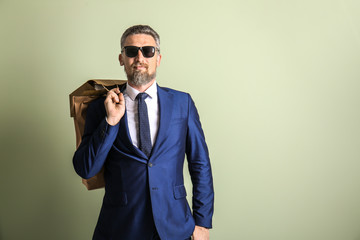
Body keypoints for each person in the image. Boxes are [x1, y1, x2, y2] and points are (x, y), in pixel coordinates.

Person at [73, 25, 214, 240]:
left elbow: (200, 164)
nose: (140, 57)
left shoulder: (182, 103)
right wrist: (110, 121)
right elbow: (86, 168)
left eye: (148, 51)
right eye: (131, 51)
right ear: (121, 58)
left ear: (158, 58)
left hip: (175, 226)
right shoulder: (100, 107)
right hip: (120, 228)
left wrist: (202, 223)